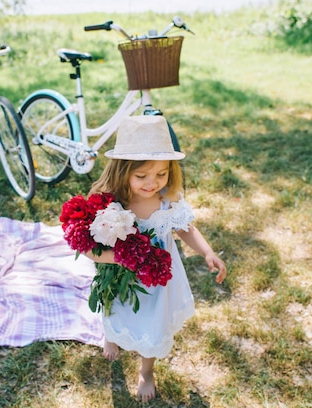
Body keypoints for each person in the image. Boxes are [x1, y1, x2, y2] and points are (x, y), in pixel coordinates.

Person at [85, 115, 227, 402]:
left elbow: (186, 229)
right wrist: (120, 260)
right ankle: (112, 336)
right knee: (115, 307)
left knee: (154, 324)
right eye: (142, 176)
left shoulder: (167, 198)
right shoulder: (108, 199)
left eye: (161, 174)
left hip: (158, 281)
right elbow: (87, 247)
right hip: (119, 274)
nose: (152, 183)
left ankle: (146, 371)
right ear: (122, 170)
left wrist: (207, 251)